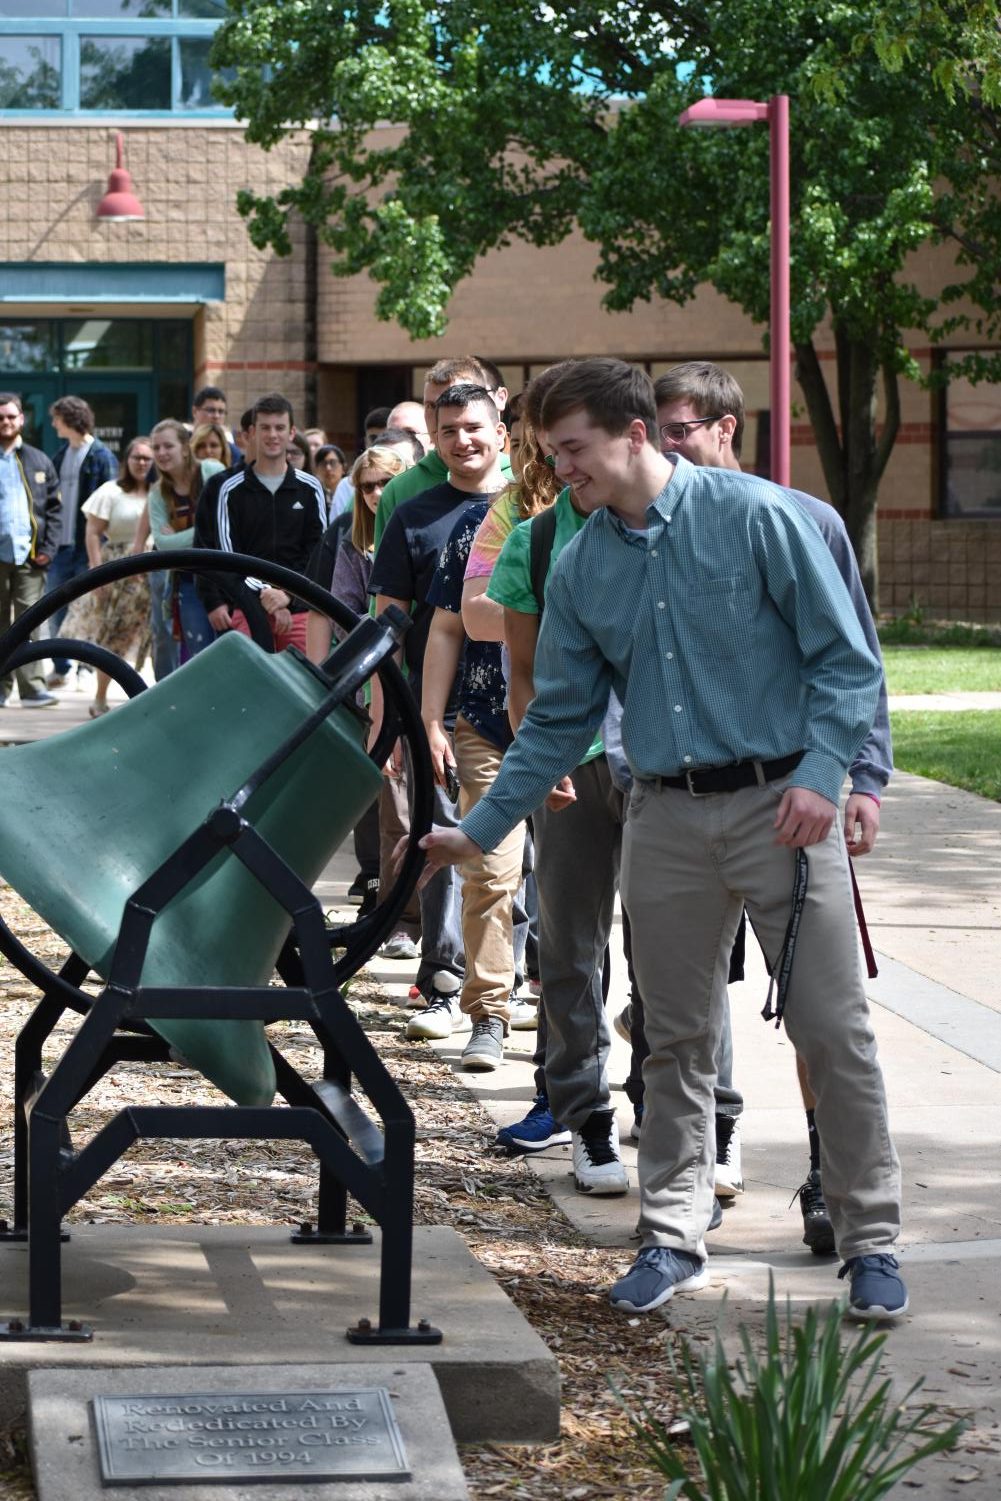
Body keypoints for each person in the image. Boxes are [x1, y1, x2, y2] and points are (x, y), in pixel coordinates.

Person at [419, 357, 906, 1324]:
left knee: (832, 1030)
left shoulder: (759, 518)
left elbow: (845, 664)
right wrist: (474, 830)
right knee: (672, 1038)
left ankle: (871, 1241)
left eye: (573, 452)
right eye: (552, 455)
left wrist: (825, 778)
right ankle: (671, 1235)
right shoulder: (580, 558)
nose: (560, 475)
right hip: (664, 816)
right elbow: (555, 720)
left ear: (634, 434)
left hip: (782, 809)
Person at [653, 361, 894, 1254]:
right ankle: (701, 1165)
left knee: (816, 1009)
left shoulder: (804, 520)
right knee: (681, 1010)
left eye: (680, 429)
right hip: (682, 812)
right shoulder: (642, 532)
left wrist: (860, 776)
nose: (666, 446)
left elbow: (854, 657)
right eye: (657, 430)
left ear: (727, 427)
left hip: (796, 800)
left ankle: (831, 1175)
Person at [369, 383, 509, 1012]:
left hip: (528, 703)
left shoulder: (535, 509)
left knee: (515, 861)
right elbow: (388, 627)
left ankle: (517, 977)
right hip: (444, 708)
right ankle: (445, 976)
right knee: (448, 842)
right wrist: (391, 716)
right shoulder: (414, 516)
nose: (463, 440)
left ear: (500, 430)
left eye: (474, 427)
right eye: (448, 430)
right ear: (433, 434)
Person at [306, 445, 408, 917]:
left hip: (412, 663)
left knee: (407, 785)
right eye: (366, 485)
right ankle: (377, 878)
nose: (375, 493)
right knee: (376, 773)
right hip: (368, 666)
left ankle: (404, 898)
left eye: (385, 482)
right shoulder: (349, 534)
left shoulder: (410, 524)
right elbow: (335, 605)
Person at [195, 392, 326, 654]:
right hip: (248, 606)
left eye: (279, 427)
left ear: (291, 433)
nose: (272, 435)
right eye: (265, 428)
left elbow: (319, 554)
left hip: (300, 609)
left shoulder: (311, 488)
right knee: (250, 690)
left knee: (305, 690)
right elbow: (228, 556)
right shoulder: (229, 489)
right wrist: (268, 594)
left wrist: (287, 595)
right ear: (252, 432)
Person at [63, 436, 154, 716]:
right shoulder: (111, 490)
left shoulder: (159, 491)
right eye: (136, 457)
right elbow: (92, 532)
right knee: (113, 634)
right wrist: (96, 568)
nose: (141, 463)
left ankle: (140, 695)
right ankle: (100, 698)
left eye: (146, 458)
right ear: (126, 460)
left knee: (146, 637)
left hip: (152, 569)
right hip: (118, 570)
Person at [45, 395, 117, 686]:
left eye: (57, 418)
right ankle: (61, 667)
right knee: (55, 606)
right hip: (61, 546)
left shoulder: (101, 456)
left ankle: (85, 668)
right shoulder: (60, 456)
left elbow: (109, 505)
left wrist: (99, 549)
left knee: (91, 609)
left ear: (70, 419)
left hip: (88, 545)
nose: (53, 424)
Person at [0, 391, 61, 708]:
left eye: (11, 416)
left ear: (21, 419)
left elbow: (54, 510)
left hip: (29, 556)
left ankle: (33, 688)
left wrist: (48, 549)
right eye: (0, 418)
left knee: (30, 622)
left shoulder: (40, 460)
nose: (6, 422)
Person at [148, 420, 223, 660]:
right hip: (188, 582)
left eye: (168, 446)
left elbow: (227, 520)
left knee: (227, 651)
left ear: (184, 447)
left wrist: (184, 537)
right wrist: (207, 531)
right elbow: (163, 544)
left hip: (227, 576)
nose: (161, 453)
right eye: (156, 447)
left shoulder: (211, 471)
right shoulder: (159, 493)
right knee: (199, 657)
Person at [315, 444, 348, 517]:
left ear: (344, 468)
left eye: (333, 463)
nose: (328, 468)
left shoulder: (351, 493)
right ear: (316, 469)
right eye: (323, 464)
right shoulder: (313, 495)